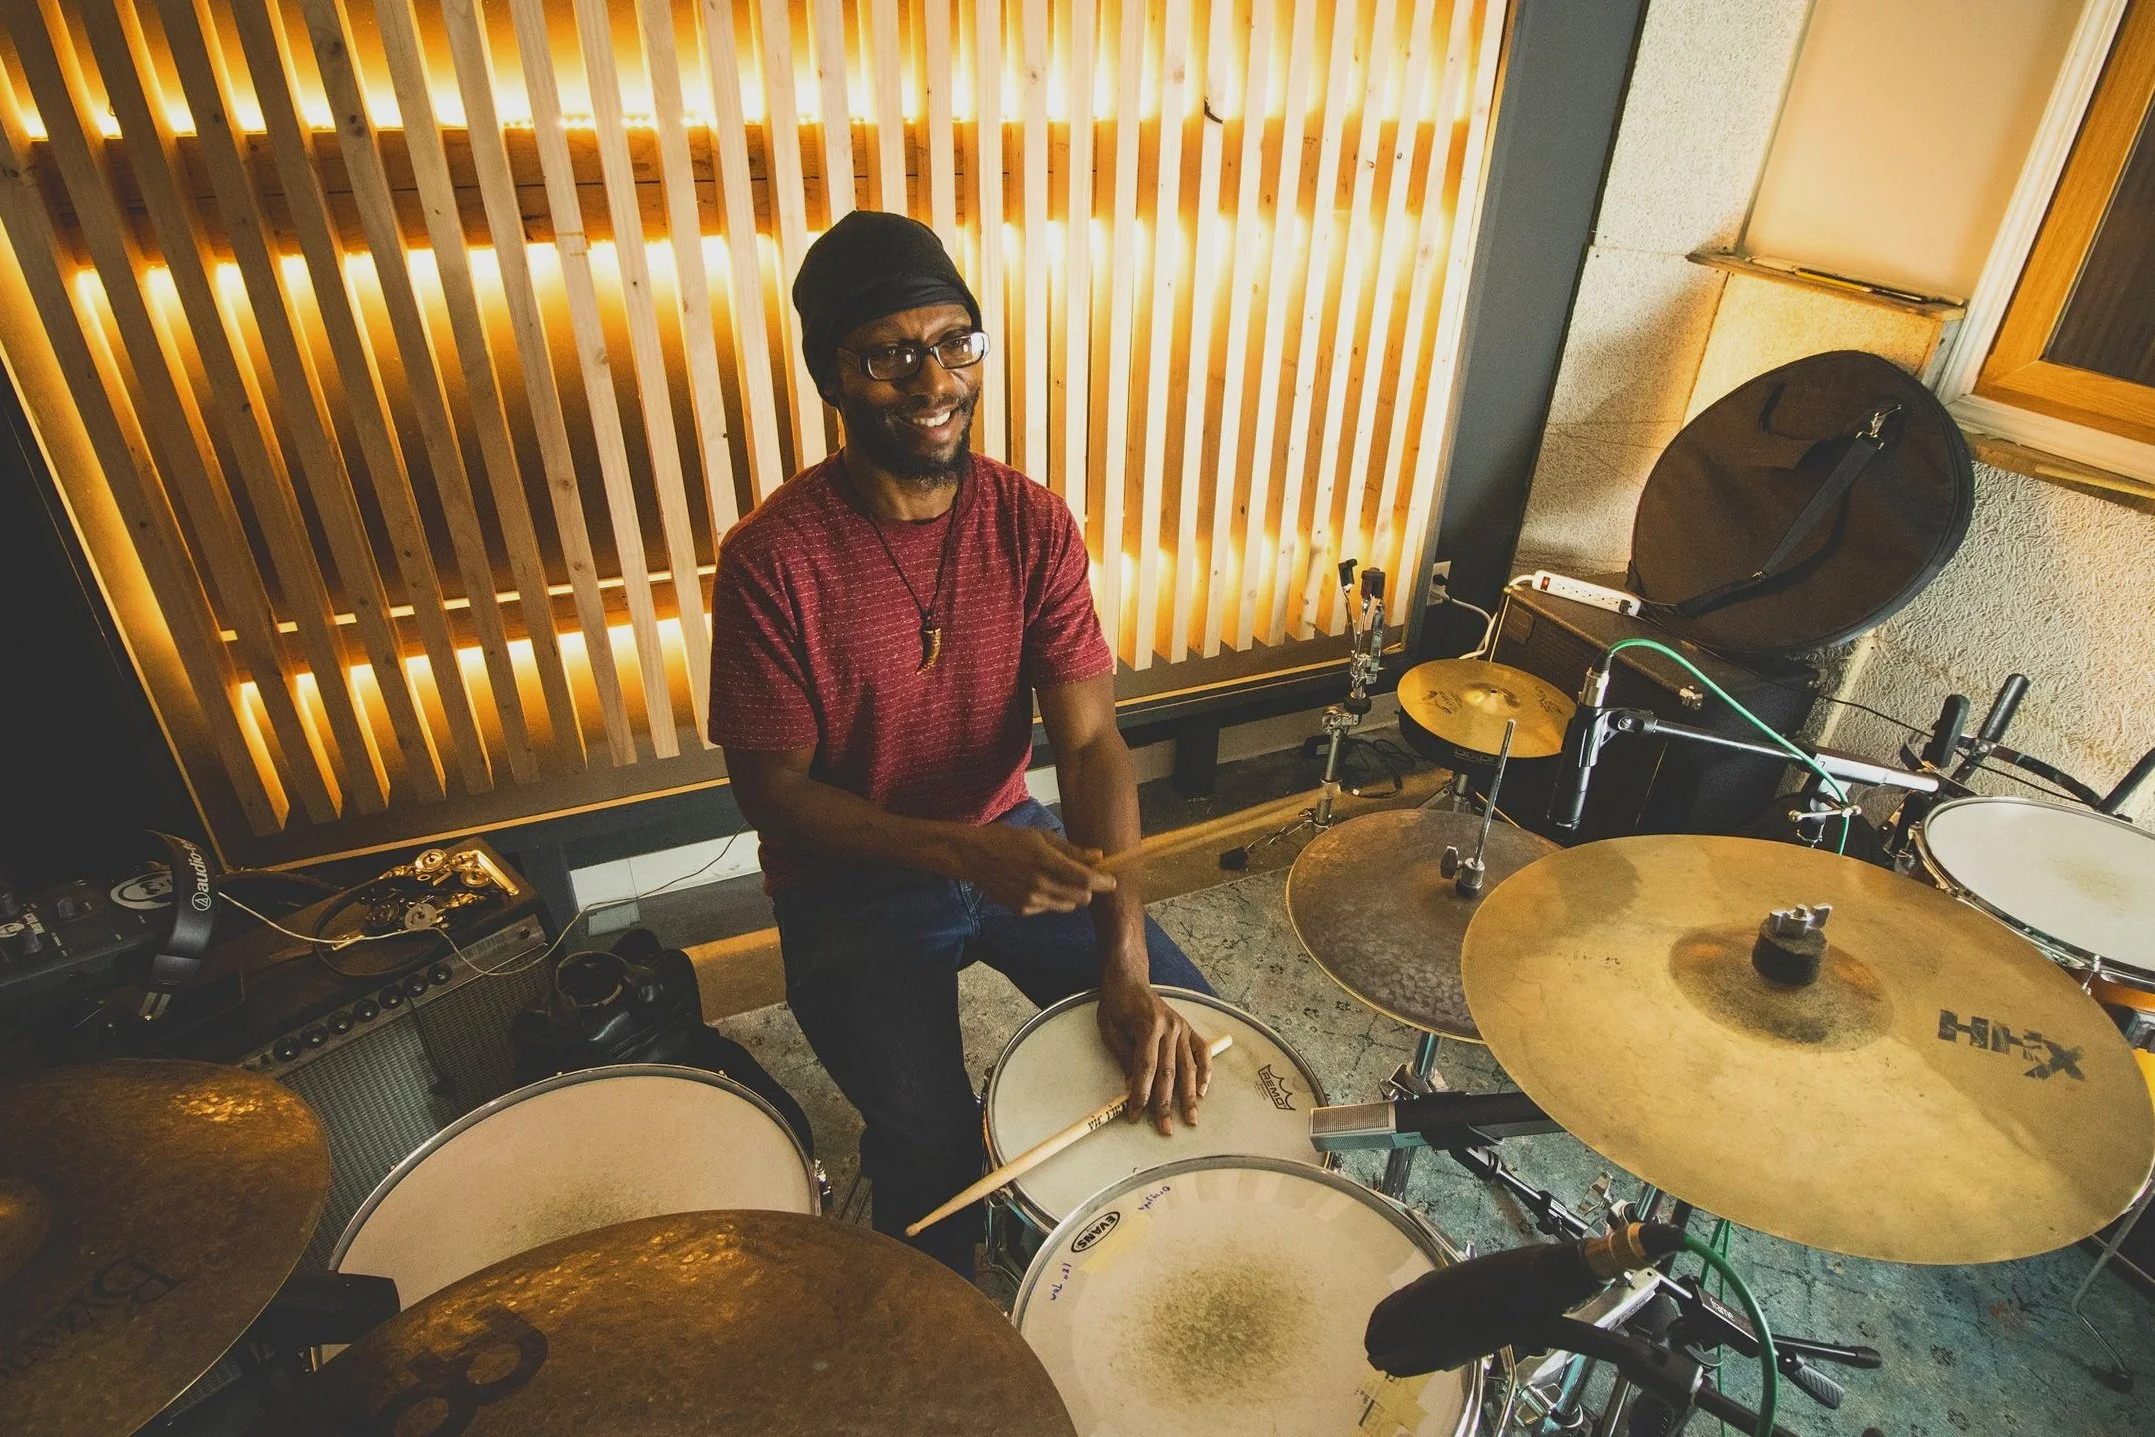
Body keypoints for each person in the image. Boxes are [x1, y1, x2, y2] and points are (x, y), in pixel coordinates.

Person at [705, 209, 1214, 1273]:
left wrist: (1121, 957)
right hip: (848, 878)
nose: (933, 380)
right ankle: (933, 1321)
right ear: (831, 376)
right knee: (930, 1150)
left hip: (1006, 832)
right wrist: (953, 852)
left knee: (1189, 1035)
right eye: (889, 353)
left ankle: (1140, 1264)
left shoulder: (1030, 521)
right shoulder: (772, 560)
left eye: (954, 342)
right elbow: (775, 795)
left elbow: (1089, 745)